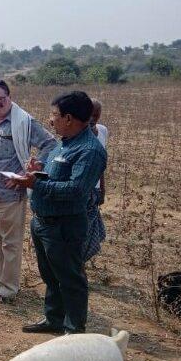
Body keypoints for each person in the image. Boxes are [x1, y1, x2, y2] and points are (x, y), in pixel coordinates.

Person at [5, 91, 106, 335]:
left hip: (64, 225)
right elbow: (59, 175)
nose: (51, 121)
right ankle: (54, 319)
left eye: (55, 115)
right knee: (51, 275)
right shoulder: (65, 141)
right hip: (44, 222)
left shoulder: (89, 150)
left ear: (69, 118)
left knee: (70, 278)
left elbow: (76, 190)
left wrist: (35, 184)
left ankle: (73, 330)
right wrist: (39, 169)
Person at [0, 80, 57, 303]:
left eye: (1, 99)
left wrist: (29, 170)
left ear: (9, 97)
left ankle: (9, 288)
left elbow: (51, 144)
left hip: (9, 195)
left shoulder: (24, 122)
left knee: (10, 242)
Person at [84, 98, 107, 261]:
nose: (93, 118)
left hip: (96, 189)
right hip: (82, 190)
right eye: (90, 114)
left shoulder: (103, 131)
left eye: (96, 115)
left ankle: (81, 262)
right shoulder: (77, 133)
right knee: (81, 231)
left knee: (91, 229)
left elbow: (102, 162)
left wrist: (103, 189)